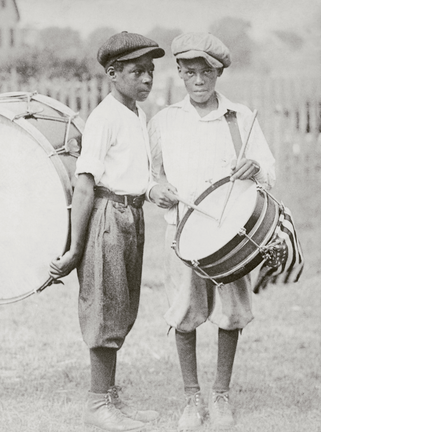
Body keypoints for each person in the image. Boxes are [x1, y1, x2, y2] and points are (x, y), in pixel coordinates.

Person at [147, 32, 276, 431]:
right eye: (190, 72)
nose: (199, 80)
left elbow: (269, 171)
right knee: (184, 313)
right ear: (180, 73)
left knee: (230, 314)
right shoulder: (165, 121)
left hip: (230, 237)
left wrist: (256, 167)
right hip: (183, 236)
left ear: (218, 73)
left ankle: (221, 395)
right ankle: (192, 398)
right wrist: (157, 191)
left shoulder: (240, 117)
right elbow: (151, 176)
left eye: (206, 72)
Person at [49, 31, 176, 432]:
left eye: (150, 70)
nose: (147, 78)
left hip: (131, 217)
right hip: (106, 217)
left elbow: (136, 175)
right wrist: (74, 249)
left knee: (121, 307)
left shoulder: (137, 115)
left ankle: (110, 396)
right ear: (113, 73)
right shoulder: (104, 118)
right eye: (137, 71)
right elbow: (85, 185)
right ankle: (96, 403)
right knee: (104, 308)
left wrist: (154, 191)